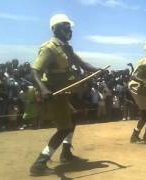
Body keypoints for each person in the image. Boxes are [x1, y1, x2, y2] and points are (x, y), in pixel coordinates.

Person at [29, 14, 98, 176]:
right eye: (66, 27)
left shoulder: (66, 48)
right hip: (54, 93)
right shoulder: (49, 48)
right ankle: (39, 164)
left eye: (70, 27)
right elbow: (34, 71)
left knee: (73, 117)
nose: (70, 30)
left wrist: (97, 69)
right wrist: (44, 90)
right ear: (55, 29)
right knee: (64, 128)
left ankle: (66, 153)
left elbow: (81, 63)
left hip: (65, 91)